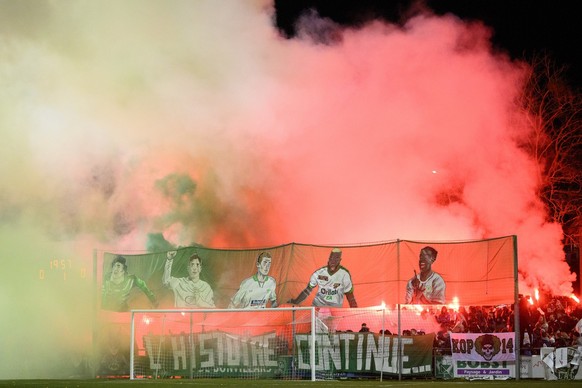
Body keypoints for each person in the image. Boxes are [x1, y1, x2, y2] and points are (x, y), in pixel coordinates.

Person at [287, 248, 357, 308]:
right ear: (329, 259)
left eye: (336, 259)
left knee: (328, 322)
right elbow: (307, 290)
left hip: (334, 308)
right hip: (317, 306)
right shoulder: (319, 273)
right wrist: (296, 301)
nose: (333, 261)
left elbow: (350, 295)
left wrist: (355, 311)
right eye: (331, 258)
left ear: (340, 260)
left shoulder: (344, 274)